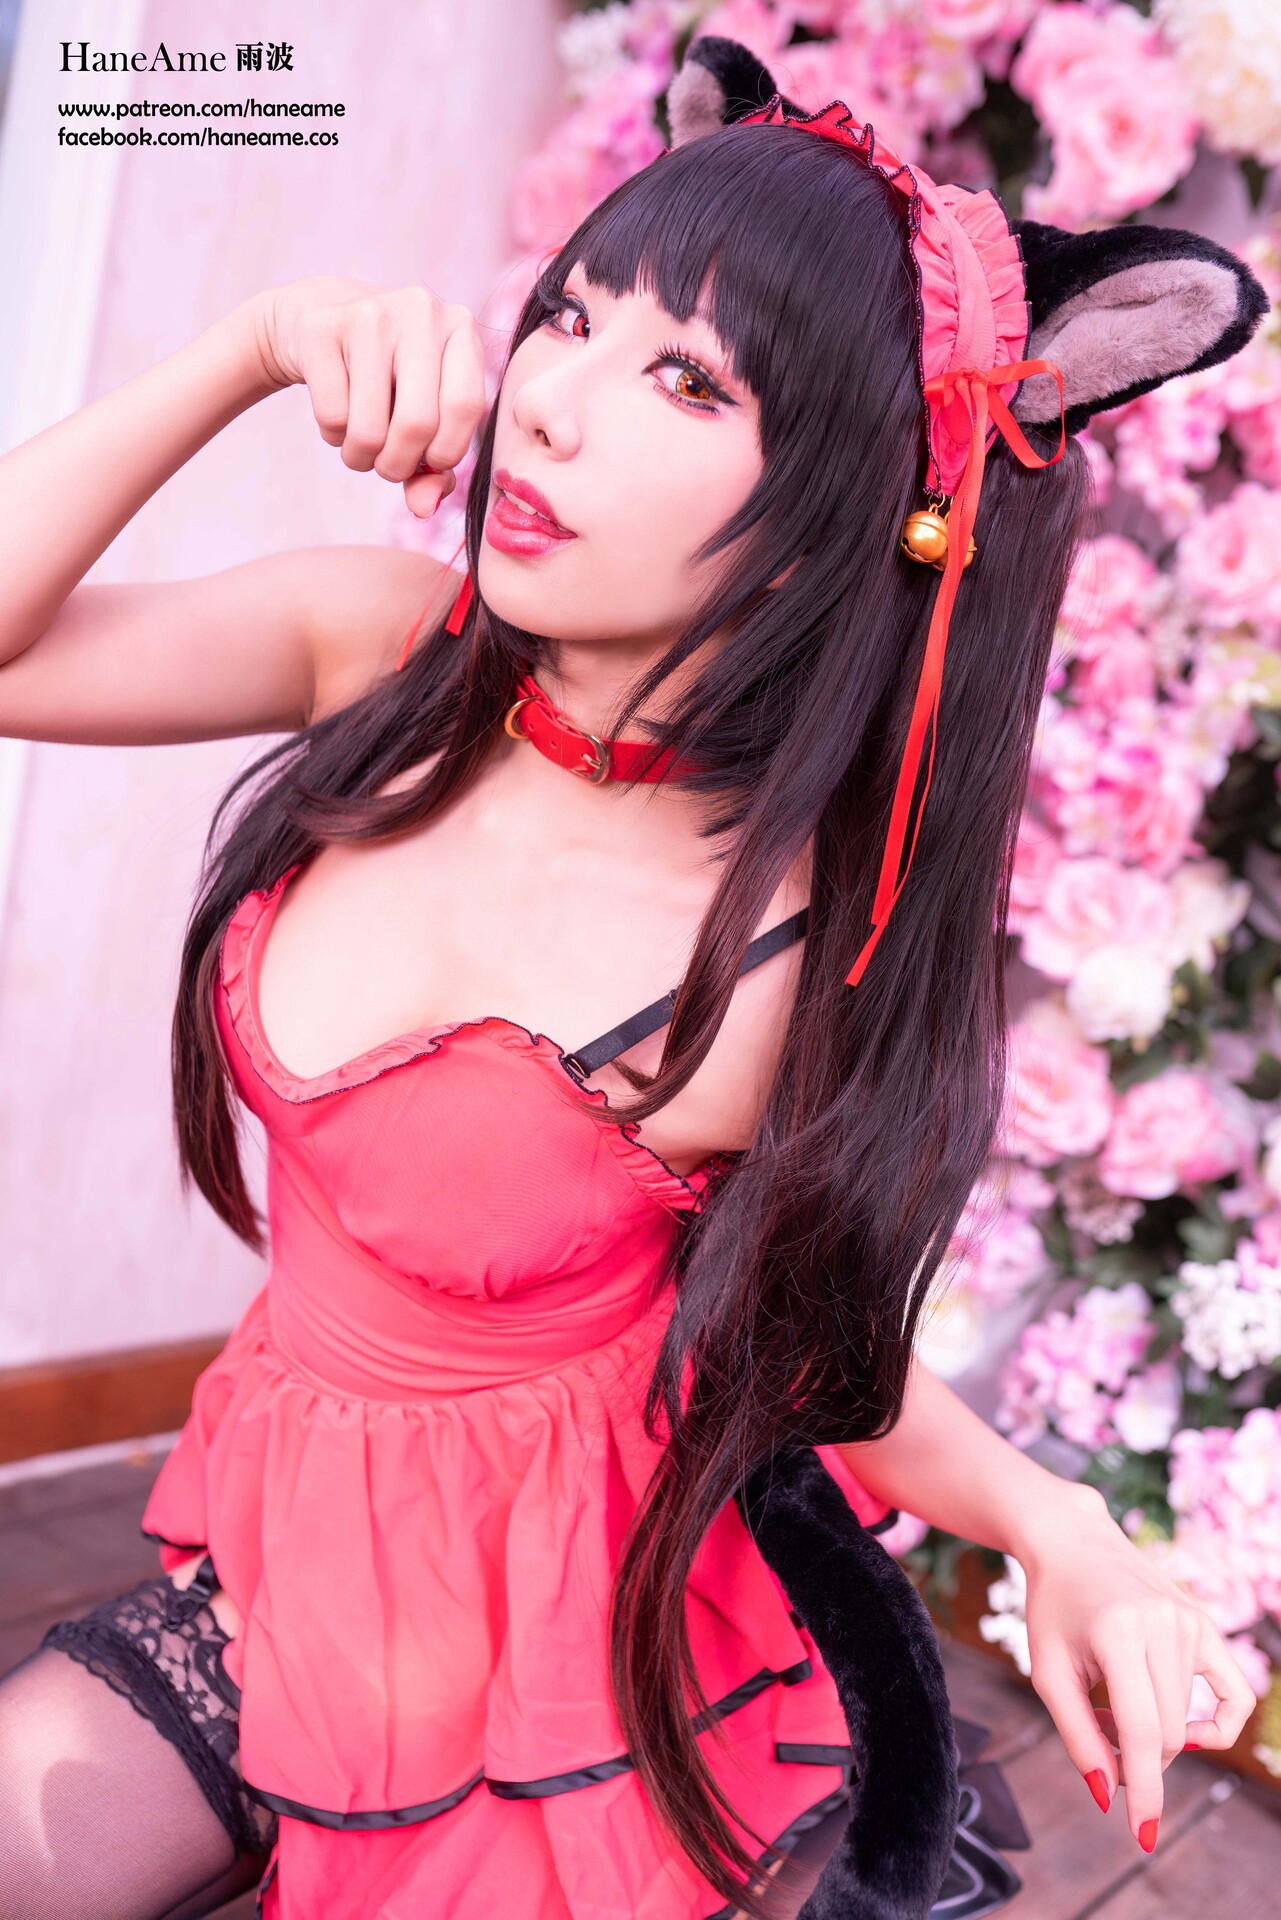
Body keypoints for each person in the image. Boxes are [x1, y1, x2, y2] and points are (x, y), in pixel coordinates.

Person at [0, 31, 1266, 1920]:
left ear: (848, 503)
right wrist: (249, 344)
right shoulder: (386, 653)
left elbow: (793, 1351)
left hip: (566, 1661)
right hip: (280, 1568)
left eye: (686, 377)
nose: (551, 407)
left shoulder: (778, 948)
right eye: (571, 317)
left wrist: (1054, 1521)